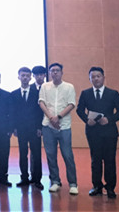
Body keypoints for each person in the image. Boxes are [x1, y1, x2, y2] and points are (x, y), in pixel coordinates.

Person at [76, 67, 119, 199]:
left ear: (103, 77)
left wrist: (109, 119)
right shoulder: (85, 93)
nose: (96, 79)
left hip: (110, 132)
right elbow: (79, 110)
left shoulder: (113, 93)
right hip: (93, 132)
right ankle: (97, 186)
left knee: (110, 160)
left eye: (98, 76)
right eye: (93, 77)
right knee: (95, 160)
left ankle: (110, 187)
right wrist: (87, 120)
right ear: (89, 79)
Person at [39, 62, 78, 195]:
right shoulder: (45, 86)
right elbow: (41, 102)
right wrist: (51, 118)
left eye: (57, 70)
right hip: (48, 125)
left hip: (64, 126)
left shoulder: (69, 87)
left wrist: (58, 117)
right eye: (52, 71)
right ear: (49, 73)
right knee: (51, 155)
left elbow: (71, 104)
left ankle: (73, 183)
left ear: (62, 72)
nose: (55, 72)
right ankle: (55, 181)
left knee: (67, 155)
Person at [11, 66, 43, 190]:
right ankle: (24, 178)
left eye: (27, 76)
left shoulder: (37, 93)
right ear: (18, 77)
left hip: (35, 129)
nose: (25, 78)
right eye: (22, 75)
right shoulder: (14, 94)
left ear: (30, 78)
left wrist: (39, 127)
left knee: (37, 154)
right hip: (21, 129)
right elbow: (13, 112)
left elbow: (40, 112)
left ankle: (37, 179)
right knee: (23, 154)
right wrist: (14, 127)